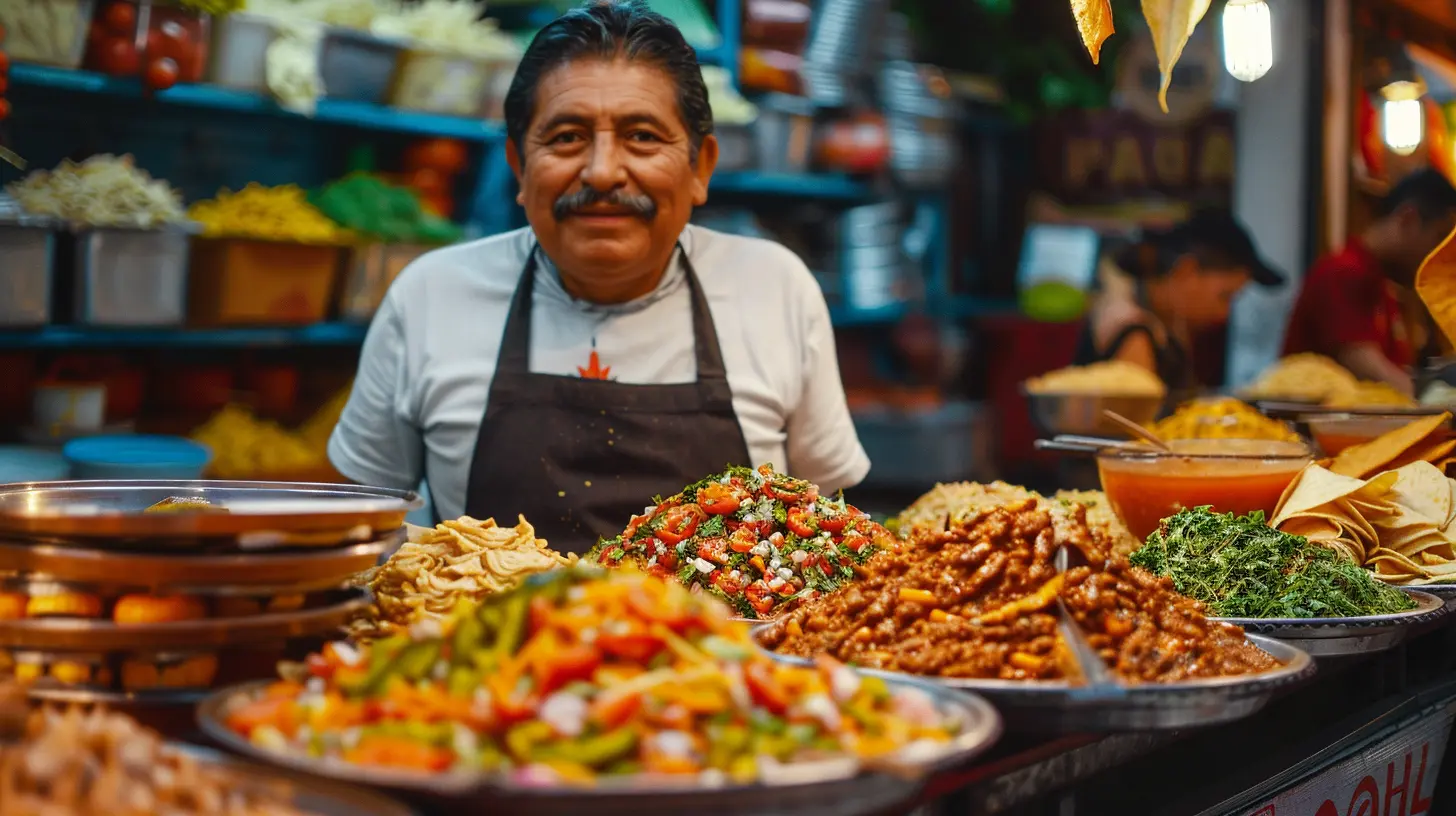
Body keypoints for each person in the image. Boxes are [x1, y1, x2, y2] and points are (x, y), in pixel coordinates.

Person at [327, 0, 869, 551]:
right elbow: (364, 531)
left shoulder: (774, 288)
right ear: (519, 166)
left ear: (701, 167)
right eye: (566, 137)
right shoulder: (430, 295)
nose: (603, 171)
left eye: (642, 137)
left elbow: (828, 537)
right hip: (487, 635)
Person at [1283, 169, 1456, 396]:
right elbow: (1365, 365)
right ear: (1408, 220)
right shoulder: (1343, 271)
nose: (1445, 257)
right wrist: (1432, 403)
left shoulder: (1381, 282)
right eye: (1440, 237)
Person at [1073, 209, 1283, 394]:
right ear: (1187, 271)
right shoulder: (1135, 334)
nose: (1224, 314)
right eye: (1225, 296)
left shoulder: (1162, 326)